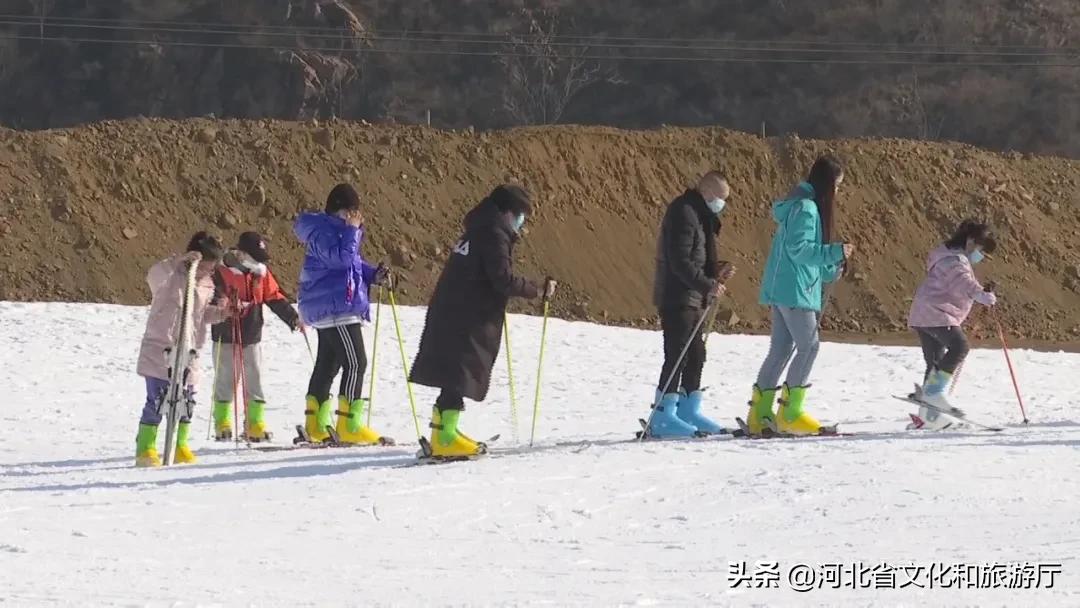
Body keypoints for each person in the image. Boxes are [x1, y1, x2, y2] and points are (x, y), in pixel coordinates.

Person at [410, 184, 555, 458]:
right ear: (509, 212)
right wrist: (535, 290)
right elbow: (501, 278)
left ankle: (443, 431)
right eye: (521, 215)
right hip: (467, 314)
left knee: (455, 372)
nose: (521, 223)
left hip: (455, 309)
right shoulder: (493, 233)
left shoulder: (478, 228)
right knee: (459, 371)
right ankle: (444, 437)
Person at [747, 156, 854, 436]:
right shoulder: (807, 209)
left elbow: (805, 256)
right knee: (809, 347)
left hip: (785, 288)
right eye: (837, 186)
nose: (838, 192)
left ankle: (760, 413)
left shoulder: (799, 206)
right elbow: (800, 250)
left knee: (781, 350)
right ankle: (790, 413)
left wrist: (833, 267)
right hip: (795, 291)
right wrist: (834, 252)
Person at [294, 184, 390, 445]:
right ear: (343, 210)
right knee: (356, 362)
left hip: (333, 305)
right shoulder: (324, 231)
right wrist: (352, 231)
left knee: (328, 364)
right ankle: (349, 423)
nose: (358, 216)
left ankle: (315, 422)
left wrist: (374, 276)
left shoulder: (335, 230)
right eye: (354, 211)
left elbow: (353, 265)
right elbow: (340, 260)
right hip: (336, 307)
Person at [646, 172, 735, 437]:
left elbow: (696, 259)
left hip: (693, 297)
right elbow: (680, 261)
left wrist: (716, 272)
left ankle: (687, 409)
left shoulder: (699, 216)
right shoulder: (684, 212)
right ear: (707, 192)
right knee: (677, 355)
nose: (722, 204)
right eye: (720, 198)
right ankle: (662, 416)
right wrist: (707, 284)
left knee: (696, 354)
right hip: (678, 296)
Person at [134, 232, 229, 467]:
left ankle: (181, 445)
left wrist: (222, 314)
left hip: (189, 350)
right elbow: (153, 275)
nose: (210, 271)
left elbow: (200, 315)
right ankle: (146, 447)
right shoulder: (171, 275)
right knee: (158, 398)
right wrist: (178, 262)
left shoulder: (207, 284)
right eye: (207, 265)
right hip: (161, 347)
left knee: (187, 400)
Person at [906, 220, 998, 430]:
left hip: (924, 314)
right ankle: (934, 394)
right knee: (959, 347)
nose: (981, 256)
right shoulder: (955, 261)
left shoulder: (947, 256)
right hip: (937, 313)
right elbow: (963, 282)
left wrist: (980, 292)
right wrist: (981, 295)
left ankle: (928, 416)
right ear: (971, 241)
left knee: (935, 362)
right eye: (981, 250)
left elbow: (960, 283)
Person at [209, 232, 301, 442]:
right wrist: (221, 303)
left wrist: (293, 318)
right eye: (254, 257)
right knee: (226, 378)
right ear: (240, 254)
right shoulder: (220, 271)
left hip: (251, 332)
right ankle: (222, 421)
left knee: (254, 378)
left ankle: (255, 423)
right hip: (225, 333)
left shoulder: (260, 273)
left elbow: (274, 297)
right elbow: (210, 296)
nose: (258, 262)